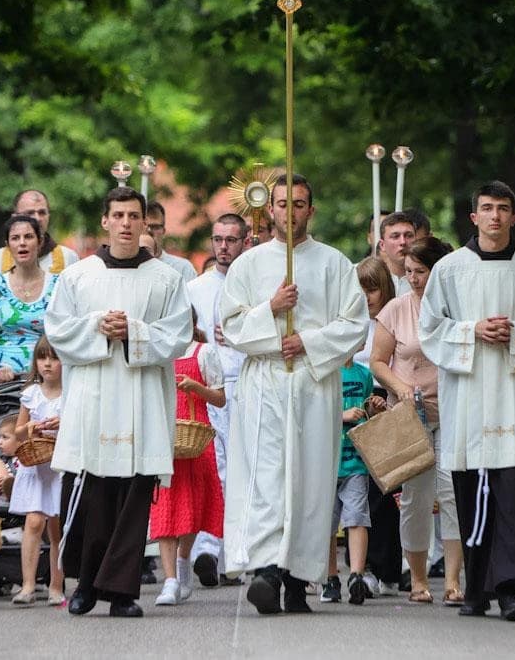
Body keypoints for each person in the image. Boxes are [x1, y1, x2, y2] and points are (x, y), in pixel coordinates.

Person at [220, 174, 370, 615]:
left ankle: (298, 577)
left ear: (311, 210)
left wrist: (308, 341)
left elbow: (354, 324)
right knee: (267, 476)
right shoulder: (249, 265)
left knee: (309, 476)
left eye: (300, 204)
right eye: (283, 204)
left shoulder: (334, 264)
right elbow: (229, 325)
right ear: (270, 210)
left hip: (312, 382)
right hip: (265, 382)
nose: (291, 212)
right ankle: (267, 568)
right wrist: (271, 310)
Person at [419, 180, 515, 622]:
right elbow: (430, 328)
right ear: (474, 216)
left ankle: (509, 590)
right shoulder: (449, 270)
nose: (495, 216)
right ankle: (475, 588)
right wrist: (472, 332)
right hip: (469, 398)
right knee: (471, 495)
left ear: (514, 217)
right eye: (487, 208)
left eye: (504, 208)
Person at [45, 186, 193, 618]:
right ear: (105, 222)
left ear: (145, 222)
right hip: (93, 398)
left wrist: (136, 333)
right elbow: (58, 329)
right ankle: (87, 585)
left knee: (132, 498)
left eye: (134, 215)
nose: (126, 223)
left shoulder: (167, 279)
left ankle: (123, 593)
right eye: (118, 215)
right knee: (92, 494)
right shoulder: (78, 276)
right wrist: (97, 326)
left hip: (142, 399)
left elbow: (178, 335)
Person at [370, 236, 463, 606]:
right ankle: (419, 579)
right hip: (410, 416)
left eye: (420, 272)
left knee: (454, 493)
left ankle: (454, 580)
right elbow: (378, 360)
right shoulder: (395, 309)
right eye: (408, 271)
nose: (413, 278)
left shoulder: (457, 308)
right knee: (415, 498)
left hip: (453, 412)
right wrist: (401, 386)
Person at [0, 189, 78, 384]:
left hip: (50, 374)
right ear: (14, 217)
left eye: (42, 212)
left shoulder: (67, 258)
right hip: (4, 374)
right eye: (29, 213)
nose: (37, 218)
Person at [185, 214, 249, 587]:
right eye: (218, 239)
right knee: (216, 470)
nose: (223, 246)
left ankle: (234, 554)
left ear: (244, 241)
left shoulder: (255, 284)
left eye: (231, 239)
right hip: (208, 386)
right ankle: (207, 550)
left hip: (247, 384)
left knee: (243, 471)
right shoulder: (196, 288)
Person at [151, 319, 226, 606]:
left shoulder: (203, 352)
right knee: (164, 508)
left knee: (193, 509)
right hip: (165, 439)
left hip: (196, 438)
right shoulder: (160, 353)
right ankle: (170, 579)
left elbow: (220, 399)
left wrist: (196, 387)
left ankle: (183, 561)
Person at [353, 257, 403, 598]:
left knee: (386, 491)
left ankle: (388, 566)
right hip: (351, 404)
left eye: (373, 289)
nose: (368, 297)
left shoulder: (394, 319)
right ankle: (364, 566)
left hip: (384, 400)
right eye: (362, 290)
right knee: (357, 492)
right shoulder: (351, 323)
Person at [0, 214, 60, 393]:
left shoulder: (58, 284)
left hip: (47, 381)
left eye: (28, 237)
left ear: (40, 241)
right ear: (8, 245)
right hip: (4, 382)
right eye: (15, 238)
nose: (22, 243)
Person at [10, 336, 66, 606]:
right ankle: (28, 584)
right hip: (35, 465)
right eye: (42, 358)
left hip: (58, 466)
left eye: (54, 358)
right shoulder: (31, 394)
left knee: (56, 528)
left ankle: (56, 585)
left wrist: (62, 423)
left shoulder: (70, 395)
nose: (48, 364)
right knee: (33, 522)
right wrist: (30, 429)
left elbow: (78, 428)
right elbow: (18, 432)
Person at [322, 354, 375, 606]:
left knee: (357, 518)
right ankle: (331, 578)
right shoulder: (324, 371)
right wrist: (341, 415)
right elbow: (316, 410)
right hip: (327, 461)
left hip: (356, 459)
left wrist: (372, 409)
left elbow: (366, 411)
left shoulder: (364, 374)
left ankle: (356, 575)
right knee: (327, 524)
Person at [146, 200, 198, 280]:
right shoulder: (128, 267)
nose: (150, 232)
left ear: (163, 231)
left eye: (155, 227)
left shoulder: (182, 268)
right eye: (145, 227)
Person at [376, 211, 417, 295]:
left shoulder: (429, 279)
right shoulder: (372, 279)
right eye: (395, 236)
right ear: (382, 245)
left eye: (408, 235)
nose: (403, 242)